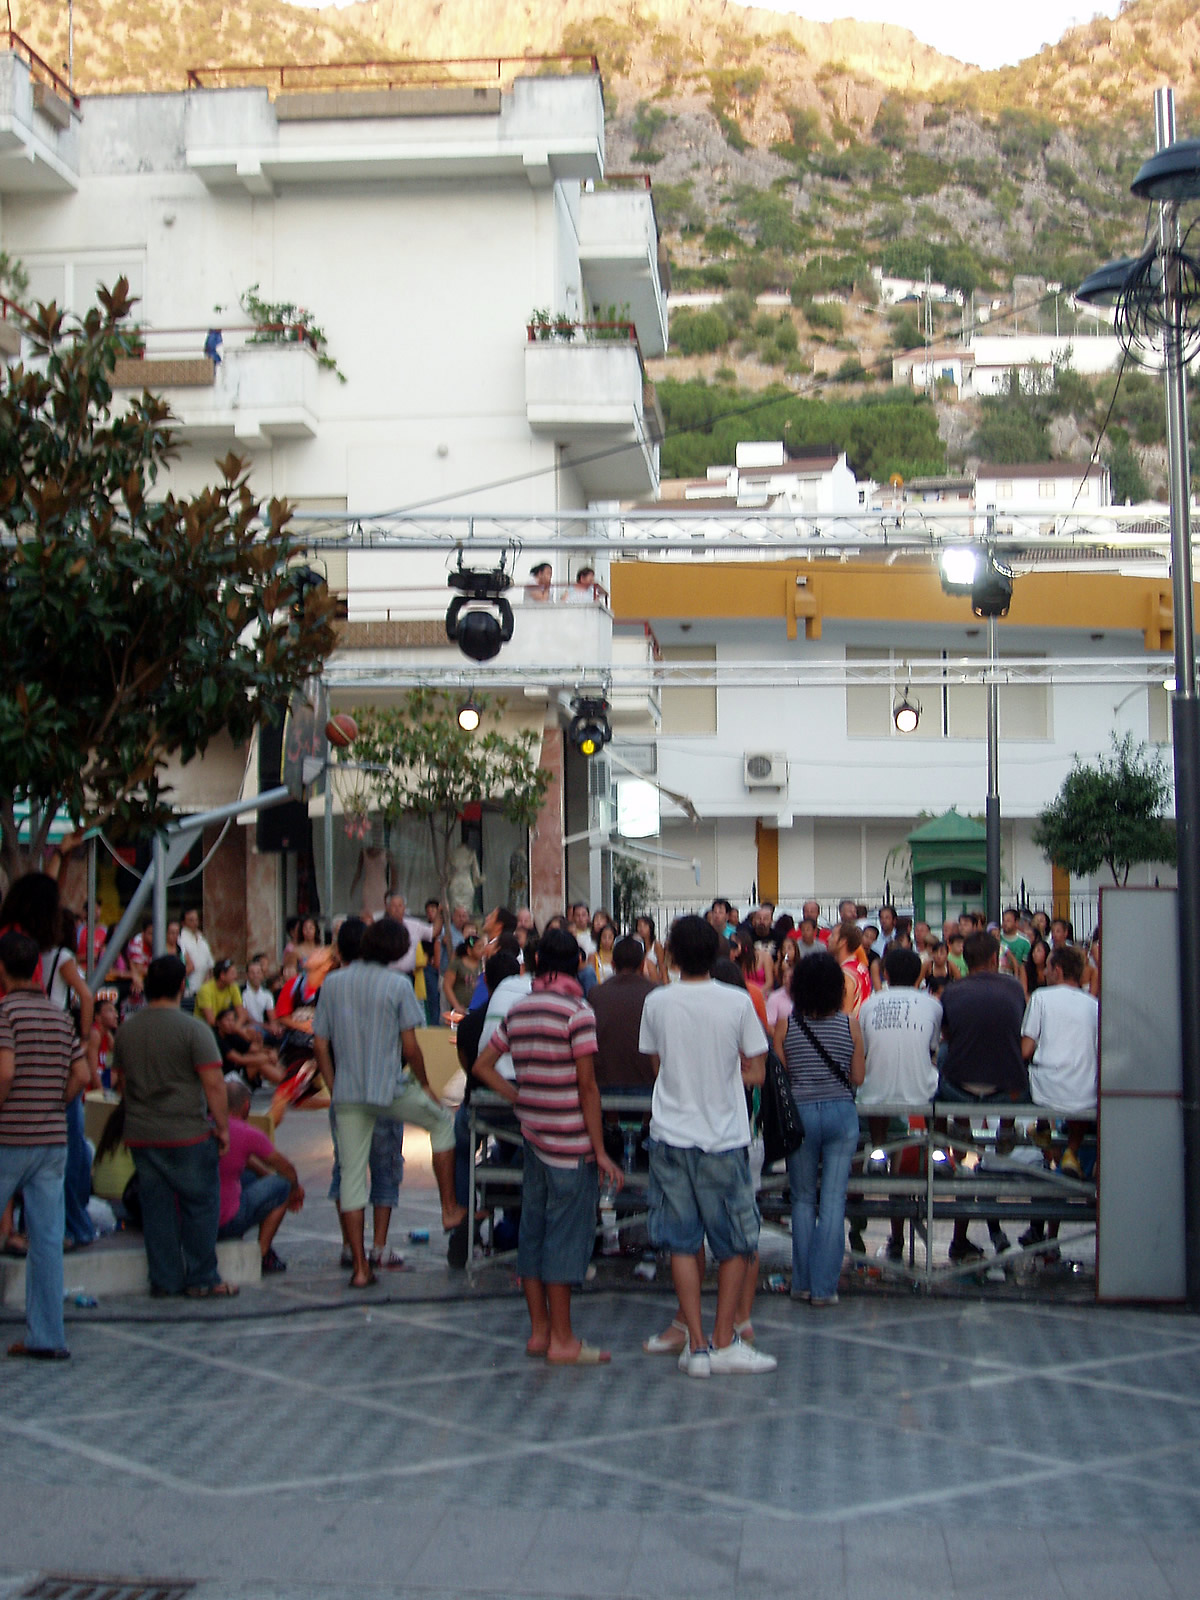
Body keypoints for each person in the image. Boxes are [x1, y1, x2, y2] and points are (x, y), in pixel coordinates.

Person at [472, 928, 623, 1365]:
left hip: (532, 1137)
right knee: (565, 1241)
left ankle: (540, 1332)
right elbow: (588, 1087)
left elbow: (483, 1065)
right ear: (576, 962)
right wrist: (598, 1150)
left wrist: (517, 1096)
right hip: (569, 1144)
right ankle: (563, 1339)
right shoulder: (577, 1012)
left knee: (533, 1236)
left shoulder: (519, 1011)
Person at [638, 915, 776, 1378]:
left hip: (671, 1133)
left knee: (681, 1241)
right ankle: (723, 1339)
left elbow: (657, 1067)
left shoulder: (656, 1002)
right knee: (734, 1243)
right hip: (723, 1135)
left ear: (671, 955)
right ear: (719, 952)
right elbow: (757, 1071)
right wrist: (723, 1073)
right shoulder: (736, 1002)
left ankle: (695, 1344)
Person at [312, 917, 465, 1287]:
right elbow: (410, 1046)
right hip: (389, 1088)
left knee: (350, 1177)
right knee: (442, 1124)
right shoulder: (397, 985)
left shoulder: (332, 983)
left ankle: (360, 1268)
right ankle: (448, 1208)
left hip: (348, 1092)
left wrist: (334, 1088)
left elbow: (319, 1043)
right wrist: (426, 1085)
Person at [111, 954, 237, 1298]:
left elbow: (119, 1082)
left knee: (157, 1211)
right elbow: (214, 1085)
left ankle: (165, 1280)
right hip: (187, 1133)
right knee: (200, 1205)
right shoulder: (194, 1030)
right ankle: (202, 1277)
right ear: (182, 986)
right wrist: (223, 1128)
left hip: (142, 1134)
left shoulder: (127, 1029)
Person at [0, 931, 90, 1359]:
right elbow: (83, 1074)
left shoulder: (4, 1014)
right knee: (47, 1242)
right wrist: (55, 1101)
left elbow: (4, 1071)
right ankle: (48, 1337)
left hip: (9, 1138)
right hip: (52, 1140)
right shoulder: (59, 1017)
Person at [775, 950, 865, 1306]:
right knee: (832, 1200)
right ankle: (825, 1288)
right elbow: (857, 1077)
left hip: (801, 1114)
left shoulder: (788, 1025)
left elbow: (782, 1073)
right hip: (842, 1115)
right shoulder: (850, 1025)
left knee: (802, 1199)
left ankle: (802, 1281)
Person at [938, 930, 1028, 1264]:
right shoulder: (1015, 988)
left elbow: (946, 1033)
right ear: (994, 960)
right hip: (1006, 1087)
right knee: (1021, 1058)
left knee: (945, 1054)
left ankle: (958, 1124)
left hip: (960, 1086)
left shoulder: (951, 992)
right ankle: (1007, 1125)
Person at [856, 945, 942, 1263]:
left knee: (875, 1090)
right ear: (919, 974)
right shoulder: (932, 1006)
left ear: (887, 975)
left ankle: (877, 1149)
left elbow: (864, 1050)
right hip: (920, 1096)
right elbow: (932, 1049)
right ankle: (940, 1152)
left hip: (874, 1095)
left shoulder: (870, 1005)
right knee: (905, 1172)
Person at [1021, 943, 1098, 1188]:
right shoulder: (1093, 1005)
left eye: (1049, 967)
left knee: (1018, 1075)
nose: (1045, 972)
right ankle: (1071, 1152)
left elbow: (1025, 1050)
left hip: (1044, 1091)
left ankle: (1031, 1129)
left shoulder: (1041, 997)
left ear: (1059, 970)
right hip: (1084, 1094)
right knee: (1081, 1083)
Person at [217, 1076, 304, 1273]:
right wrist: (295, 1189)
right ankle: (263, 1253)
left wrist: (264, 1175)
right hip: (226, 1221)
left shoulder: (208, 1124)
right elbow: (286, 1168)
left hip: (198, 1218)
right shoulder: (248, 1133)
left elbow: (244, 1160)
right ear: (246, 1106)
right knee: (282, 1185)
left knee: (251, 1176)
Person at [590, 936, 657, 1091]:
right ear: (642, 965)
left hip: (605, 1083)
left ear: (613, 965)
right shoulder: (654, 993)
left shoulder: (596, 994)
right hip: (647, 1083)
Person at [383, 892, 441, 978]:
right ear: (388, 908)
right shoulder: (381, 927)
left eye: (400, 906)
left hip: (409, 975)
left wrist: (439, 912)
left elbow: (434, 931)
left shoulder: (414, 925)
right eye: (393, 906)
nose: (397, 909)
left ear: (404, 908)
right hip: (388, 974)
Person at [196, 958, 248, 1030]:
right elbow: (211, 1021)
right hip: (206, 1029)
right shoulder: (205, 990)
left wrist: (236, 1027)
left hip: (225, 1027)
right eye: (232, 973)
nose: (236, 976)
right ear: (222, 976)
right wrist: (234, 1028)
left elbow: (242, 1015)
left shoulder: (233, 987)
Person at [177, 908, 214, 1001]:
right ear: (183, 923)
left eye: (196, 920)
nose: (195, 923)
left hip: (203, 991)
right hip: (187, 992)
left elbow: (209, 965)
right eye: (191, 920)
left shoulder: (202, 940)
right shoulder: (180, 940)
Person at [635, 915, 666, 984]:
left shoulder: (656, 945)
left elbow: (662, 966)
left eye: (645, 926)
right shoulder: (637, 945)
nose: (641, 929)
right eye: (639, 926)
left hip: (654, 980)